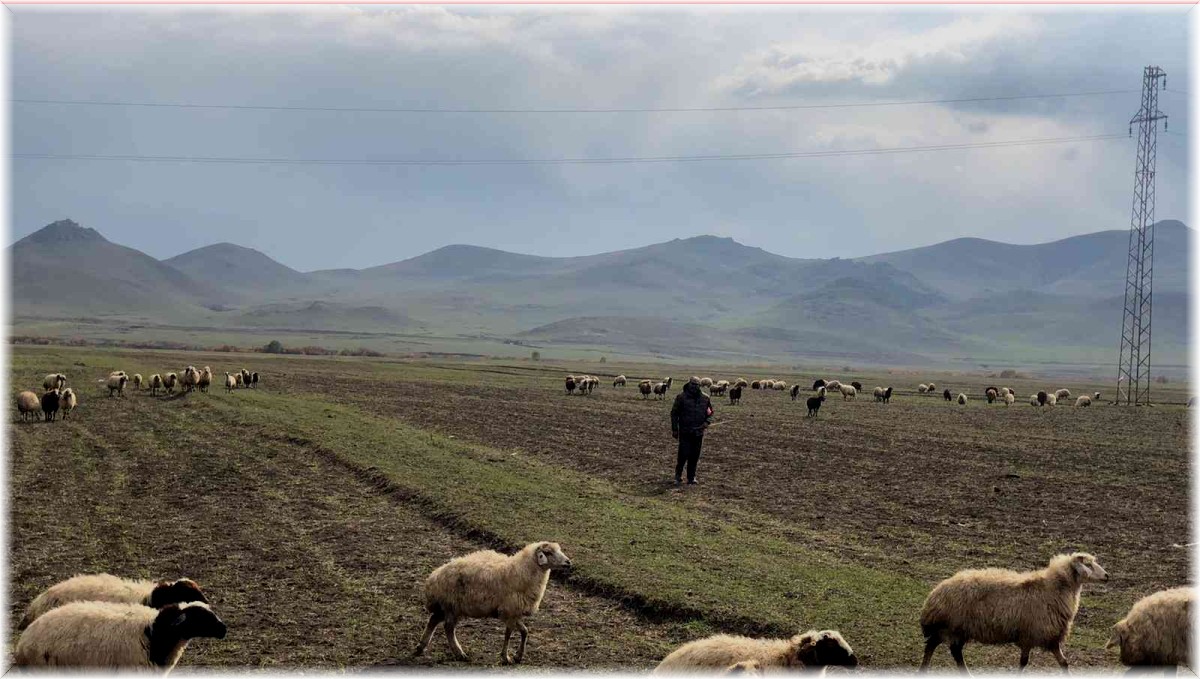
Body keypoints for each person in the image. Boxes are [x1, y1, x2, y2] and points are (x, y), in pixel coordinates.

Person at [670, 378, 713, 486]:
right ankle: (678, 476)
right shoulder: (681, 397)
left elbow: (710, 413)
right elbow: (674, 414)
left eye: (697, 385)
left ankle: (691, 477)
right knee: (683, 455)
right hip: (685, 431)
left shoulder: (705, 398)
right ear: (689, 384)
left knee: (695, 455)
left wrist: (707, 422)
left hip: (698, 432)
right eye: (693, 384)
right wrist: (675, 429)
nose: (695, 387)